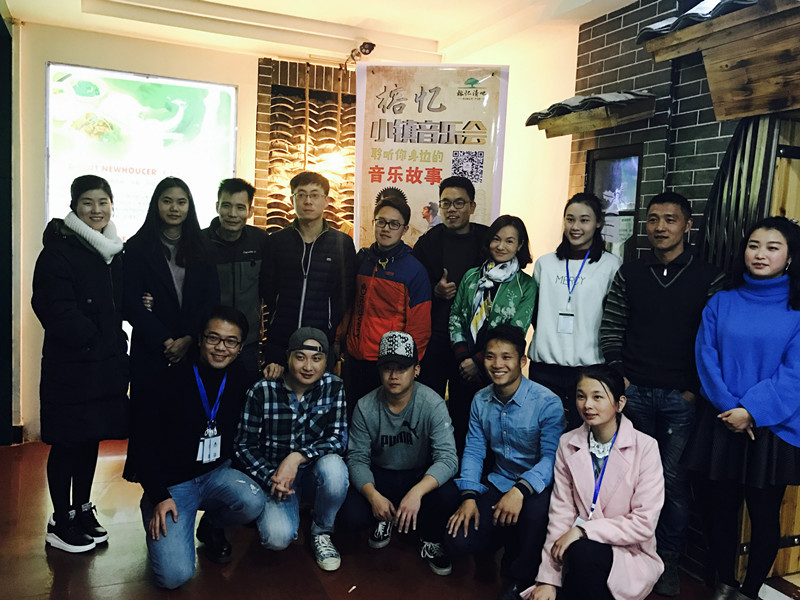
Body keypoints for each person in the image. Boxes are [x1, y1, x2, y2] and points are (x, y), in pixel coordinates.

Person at [599, 191, 724, 596]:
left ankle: (666, 561)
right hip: (634, 394)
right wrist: (622, 379)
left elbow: (714, 341)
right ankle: (629, 554)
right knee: (628, 479)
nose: (660, 227)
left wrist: (693, 391)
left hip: (680, 400)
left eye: (670, 219)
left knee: (672, 483)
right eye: (653, 219)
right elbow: (612, 327)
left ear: (688, 225)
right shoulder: (631, 273)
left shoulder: (709, 277)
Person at [686, 217, 800, 600]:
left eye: (772, 247)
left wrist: (750, 411)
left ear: (790, 257)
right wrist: (730, 407)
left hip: (773, 427)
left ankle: (750, 592)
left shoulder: (797, 310)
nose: (760, 254)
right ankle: (725, 583)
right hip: (722, 420)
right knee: (719, 510)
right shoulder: (722, 301)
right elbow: (705, 356)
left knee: (764, 514)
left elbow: (794, 374)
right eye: (754, 245)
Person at [32, 175, 129, 553]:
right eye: (88, 202)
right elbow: (53, 308)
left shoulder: (112, 251)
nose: (96, 210)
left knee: (91, 439)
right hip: (71, 365)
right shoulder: (59, 251)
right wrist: (94, 339)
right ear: (74, 206)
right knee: (67, 441)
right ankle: (60, 519)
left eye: (103, 202)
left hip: (103, 365)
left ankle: (83, 508)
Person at [136, 306, 265, 589]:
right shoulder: (167, 381)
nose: (221, 348)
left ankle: (212, 525)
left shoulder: (239, 377)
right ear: (200, 339)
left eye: (231, 341)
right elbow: (142, 446)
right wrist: (159, 495)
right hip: (173, 486)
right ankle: (158, 517)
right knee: (174, 577)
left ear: (240, 346)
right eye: (213, 338)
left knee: (255, 501)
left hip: (217, 474)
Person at [525, 364, 664, 600]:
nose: (587, 405)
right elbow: (561, 512)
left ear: (620, 403)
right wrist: (548, 579)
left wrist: (583, 530)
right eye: (581, 396)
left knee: (584, 551)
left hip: (627, 551)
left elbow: (643, 523)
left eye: (597, 397)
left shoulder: (646, 447)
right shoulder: (568, 443)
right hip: (577, 551)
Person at [444, 325, 563, 600]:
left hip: (537, 488)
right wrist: (469, 496)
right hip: (499, 481)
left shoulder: (547, 403)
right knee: (457, 541)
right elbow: (474, 451)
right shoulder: (480, 399)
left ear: (522, 361)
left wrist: (520, 490)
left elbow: (551, 459)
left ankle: (521, 579)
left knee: (535, 514)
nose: (497, 364)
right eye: (490, 356)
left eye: (506, 357)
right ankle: (497, 543)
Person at [122, 176, 219, 481]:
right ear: (156, 205)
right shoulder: (137, 247)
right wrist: (166, 340)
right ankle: (152, 489)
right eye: (167, 201)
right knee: (149, 421)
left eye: (181, 202)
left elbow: (210, 300)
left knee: (185, 419)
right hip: (151, 349)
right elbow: (130, 303)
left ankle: (184, 485)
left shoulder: (202, 247)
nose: (174, 208)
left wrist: (189, 338)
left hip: (192, 350)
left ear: (190, 206)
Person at [339, 331, 460, 575]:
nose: (393, 375)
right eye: (387, 368)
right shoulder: (365, 405)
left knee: (449, 495)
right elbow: (357, 458)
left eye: (402, 368)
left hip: (417, 475)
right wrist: (373, 496)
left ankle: (429, 538)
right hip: (381, 475)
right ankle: (384, 518)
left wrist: (417, 492)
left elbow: (448, 458)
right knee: (349, 514)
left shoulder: (432, 403)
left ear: (416, 370)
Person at [235, 327, 349, 571]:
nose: (308, 366)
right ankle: (289, 506)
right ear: (287, 358)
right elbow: (244, 445)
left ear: (326, 361)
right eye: (300, 357)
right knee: (276, 538)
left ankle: (322, 531)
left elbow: (338, 438)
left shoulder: (334, 386)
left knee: (335, 469)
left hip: (313, 471)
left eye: (316, 359)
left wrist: (297, 457)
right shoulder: (262, 390)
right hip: (276, 477)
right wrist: (271, 477)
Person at [528, 193, 621, 431]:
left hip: (589, 369)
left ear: (598, 223)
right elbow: (535, 312)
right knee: (544, 434)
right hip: (545, 367)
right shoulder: (545, 264)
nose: (575, 227)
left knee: (582, 436)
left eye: (584, 220)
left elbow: (615, 319)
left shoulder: (611, 265)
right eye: (570, 219)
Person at [448, 215, 537, 451]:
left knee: (493, 435)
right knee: (459, 427)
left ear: (519, 245)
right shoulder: (471, 276)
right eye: (496, 239)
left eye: (509, 241)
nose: (501, 246)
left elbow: (516, 331)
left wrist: (479, 361)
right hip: (461, 368)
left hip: (498, 371)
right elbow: (455, 316)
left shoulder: (526, 285)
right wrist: (464, 359)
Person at [259, 171, 356, 379]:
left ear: (326, 200)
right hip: (281, 339)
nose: (308, 201)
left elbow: (345, 293)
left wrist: (330, 326)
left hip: (321, 340)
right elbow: (267, 287)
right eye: (301, 194)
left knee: (318, 397)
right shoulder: (276, 241)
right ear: (292, 199)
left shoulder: (342, 243)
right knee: (276, 394)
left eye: (314, 195)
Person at [345, 193, 431, 406]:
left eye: (394, 224)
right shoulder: (362, 260)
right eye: (381, 222)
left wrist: (409, 366)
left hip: (388, 365)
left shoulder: (414, 271)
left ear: (405, 229)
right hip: (354, 359)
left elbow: (420, 328)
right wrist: (339, 342)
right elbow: (349, 306)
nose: (386, 229)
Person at [413, 176, 488, 400]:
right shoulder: (428, 242)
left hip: (471, 344)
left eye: (459, 203)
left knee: (465, 408)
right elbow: (412, 288)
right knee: (428, 403)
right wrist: (434, 291)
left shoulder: (487, 241)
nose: (451, 209)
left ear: (472, 207)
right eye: (445, 203)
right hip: (435, 340)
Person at [203, 177, 267, 382]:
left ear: (250, 211)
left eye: (240, 207)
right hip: (209, 341)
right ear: (217, 207)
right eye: (226, 206)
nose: (232, 214)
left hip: (247, 342)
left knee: (245, 393)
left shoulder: (261, 241)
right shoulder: (200, 243)